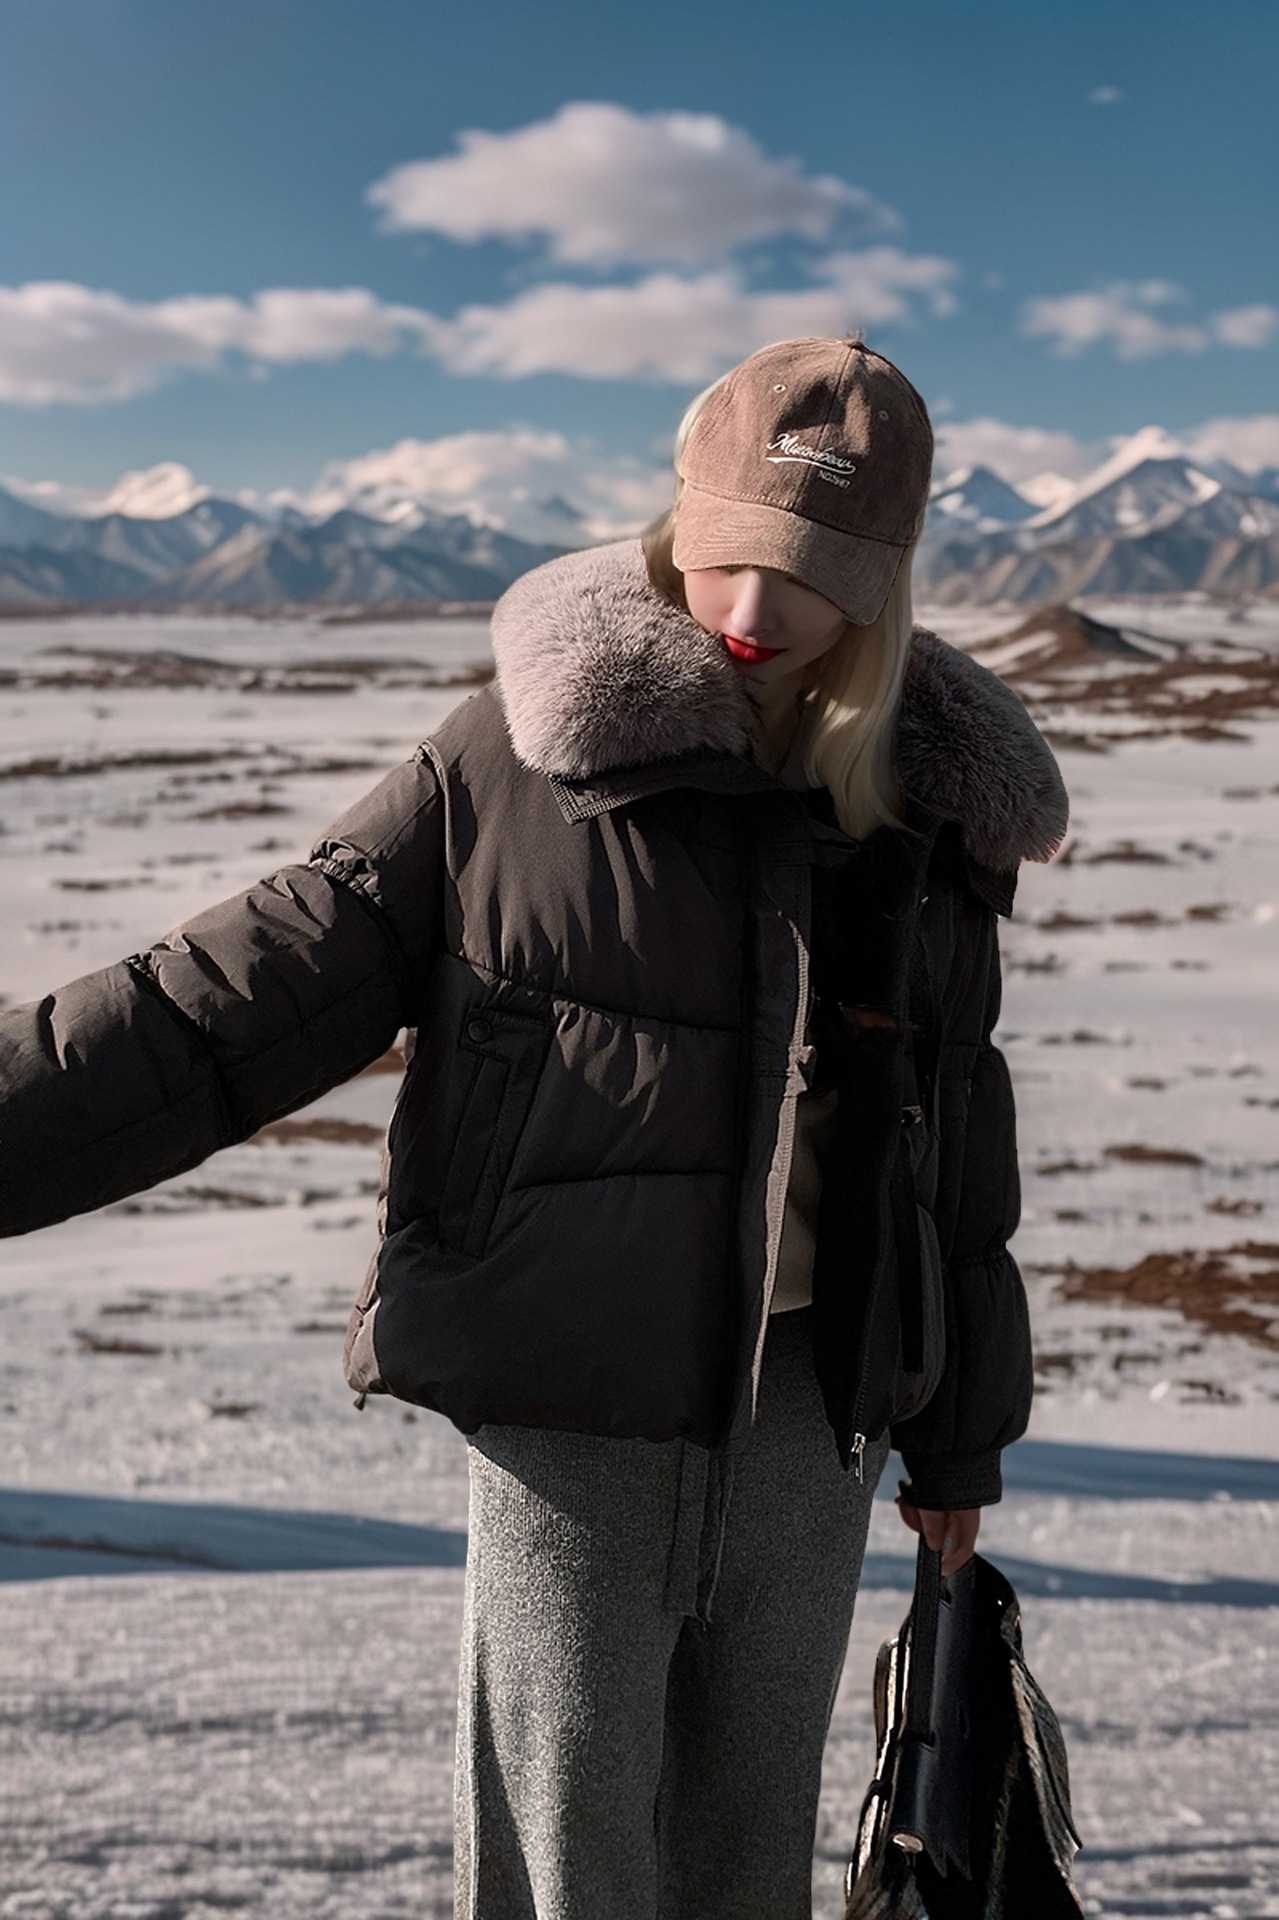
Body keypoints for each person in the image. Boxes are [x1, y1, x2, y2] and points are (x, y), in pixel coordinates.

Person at [0, 335, 1067, 1919]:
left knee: (747, 1861)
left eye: (812, 575)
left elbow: (955, 1148)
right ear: (678, 516)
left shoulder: (926, 807)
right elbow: (221, 1004)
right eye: (726, 554)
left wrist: (961, 1434)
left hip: (809, 1425)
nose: (753, 607)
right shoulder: (512, 759)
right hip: (571, 1400)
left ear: (886, 581)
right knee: (558, 1860)